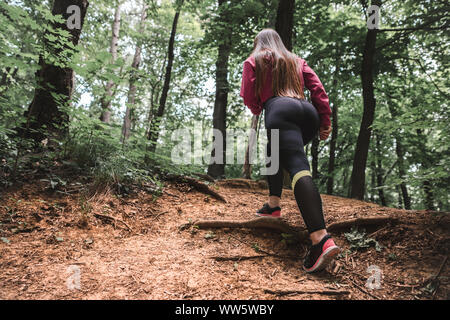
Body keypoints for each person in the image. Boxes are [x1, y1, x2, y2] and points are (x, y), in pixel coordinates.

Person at [240, 29, 339, 273]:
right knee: (274, 149)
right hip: (306, 112)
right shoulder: (297, 60)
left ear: (259, 44)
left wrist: (259, 105)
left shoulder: (254, 61)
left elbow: (248, 97)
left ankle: (320, 238)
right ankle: (273, 205)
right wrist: (324, 121)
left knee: (296, 165)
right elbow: (318, 90)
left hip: (280, 109)